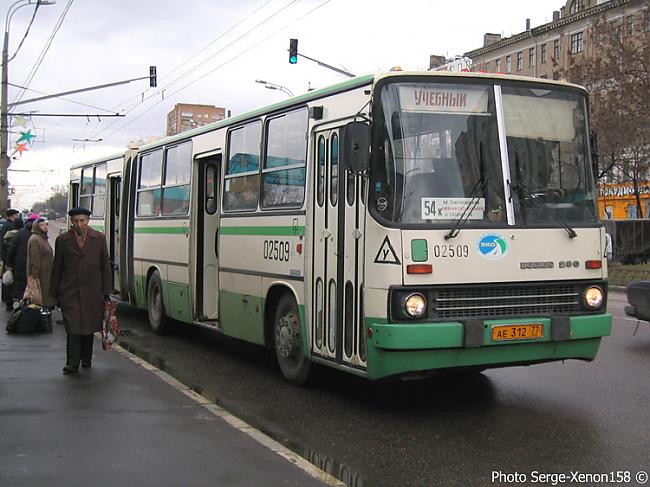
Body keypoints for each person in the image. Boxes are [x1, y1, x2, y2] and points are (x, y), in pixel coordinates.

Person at [50, 207, 112, 375]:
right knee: (74, 327)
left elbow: (105, 266)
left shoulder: (98, 238)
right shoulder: (63, 240)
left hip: (92, 291)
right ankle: (72, 363)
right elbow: (57, 268)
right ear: (71, 221)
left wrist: (107, 291)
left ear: (88, 221)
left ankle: (87, 359)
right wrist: (53, 295)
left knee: (89, 327)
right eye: (76, 221)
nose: (79, 224)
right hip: (69, 291)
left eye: (82, 221)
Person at [26, 217, 56, 330]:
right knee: (40, 299)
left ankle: (44, 322)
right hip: (40, 275)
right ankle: (42, 323)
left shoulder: (43, 238)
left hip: (46, 274)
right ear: (36, 227)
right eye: (42, 225)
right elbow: (35, 259)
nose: (45, 227)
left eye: (46, 224)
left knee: (44, 299)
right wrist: (34, 276)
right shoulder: (35, 239)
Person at [6, 213, 39, 303]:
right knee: (31, 288)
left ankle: (20, 308)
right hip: (33, 267)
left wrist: (9, 265)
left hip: (19, 266)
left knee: (19, 288)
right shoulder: (38, 235)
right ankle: (30, 309)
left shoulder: (19, 233)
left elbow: (11, 251)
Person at [1, 209, 24, 311]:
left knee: (6, 277)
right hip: (10, 257)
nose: (18, 216)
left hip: (6, 255)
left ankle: (5, 297)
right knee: (10, 278)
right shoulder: (11, 227)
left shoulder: (5, 225)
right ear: (12, 215)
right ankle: (8, 298)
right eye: (16, 215)